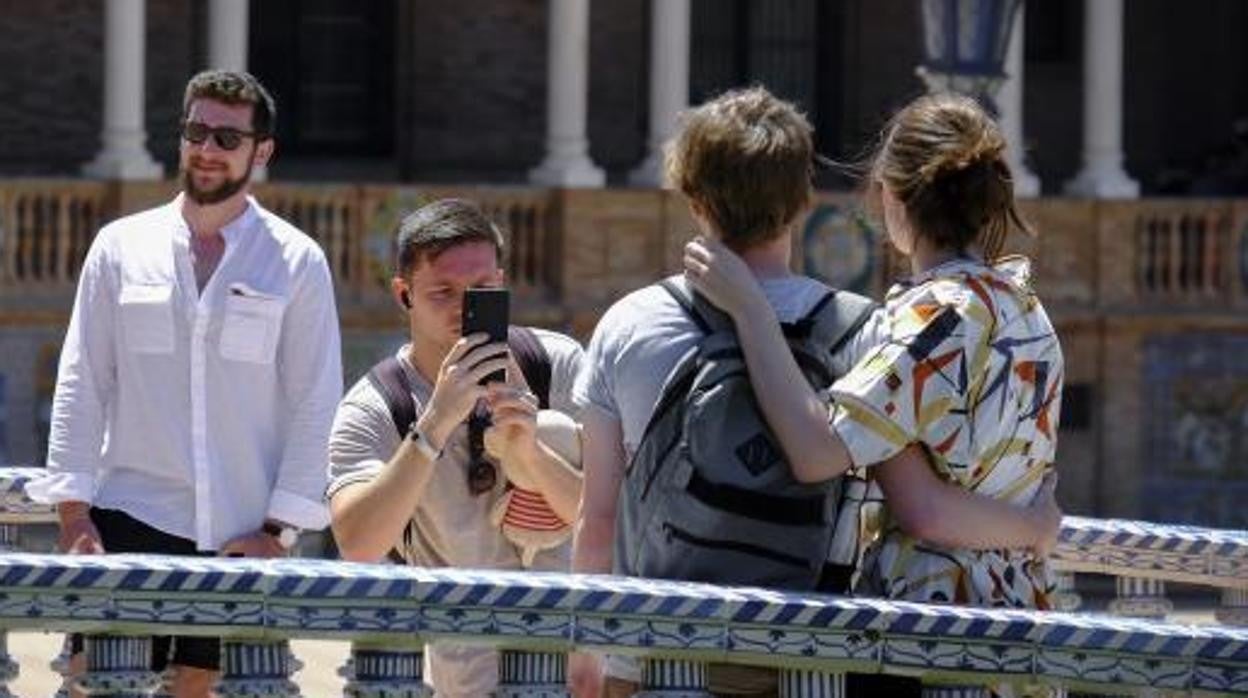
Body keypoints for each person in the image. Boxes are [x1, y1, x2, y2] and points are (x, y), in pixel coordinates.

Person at [569, 87, 1060, 698]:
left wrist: (589, 649)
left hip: (690, 655)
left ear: (692, 201)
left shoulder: (628, 325)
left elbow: (600, 515)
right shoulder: (990, 312)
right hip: (855, 653)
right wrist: (1035, 528)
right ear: (804, 201)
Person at [27, 69, 342, 698]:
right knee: (95, 686)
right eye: (197, 131)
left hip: (241, 532)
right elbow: (83, 378)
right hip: (128, 518)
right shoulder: (120, 246)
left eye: (228, 138)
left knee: (199, 689)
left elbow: (317, 399)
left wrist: (279, 532)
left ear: (262, 151)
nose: (207, 149)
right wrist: (72, 513)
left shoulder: (296, 261)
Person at [327, 199, 585, 697]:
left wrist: (530, 452)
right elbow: (358, 543)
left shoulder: (557, 364)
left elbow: (608, 519)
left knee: (553, 429)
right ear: (404, 295)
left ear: (502, 282)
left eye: (482, 291)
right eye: (443, 292)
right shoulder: (378, 405)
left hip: (577, 662)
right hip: (470, 675)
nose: (463, 310)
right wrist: (434, 425)